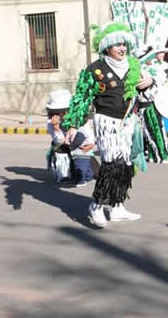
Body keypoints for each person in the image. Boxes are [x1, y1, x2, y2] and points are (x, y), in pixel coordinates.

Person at [62, 21, 155, 228]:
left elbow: (146, 87)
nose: (122, 48)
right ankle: (95, 206)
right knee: (112, 164)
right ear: (106, 47)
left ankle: (117, 207)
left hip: (128, 121)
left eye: (124, 44)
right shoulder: (95, 70)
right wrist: (73, 124)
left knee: (125, 166)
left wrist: (149, 81)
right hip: (107, 121)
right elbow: (82, 98)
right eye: (117, 44)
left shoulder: (133, 65)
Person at [133, 44, 168, 164]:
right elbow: (145, 86)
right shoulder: (139, 70)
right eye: (150, 56)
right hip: (147, 104)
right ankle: (163, 156)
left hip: (152, 103)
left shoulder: (146, 69)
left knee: (152, 131)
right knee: (156, 131)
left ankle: (153, 156)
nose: (152, 58)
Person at [45, 89, 73, 183]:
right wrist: (56, 128)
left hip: (77, 146)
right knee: (59, 149)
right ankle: (64, 174)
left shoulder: (77, 117)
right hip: (63, 146)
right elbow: (60, 142)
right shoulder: (51, 122)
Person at [69, 115, 95, 187]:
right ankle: (89, 178)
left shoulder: (80, 130)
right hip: (85, 153)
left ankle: (81, 181)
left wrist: (70, 146)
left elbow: (78, 141)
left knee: (80, 167)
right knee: (87, 167)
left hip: (80, 153)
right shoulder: (83, 129)